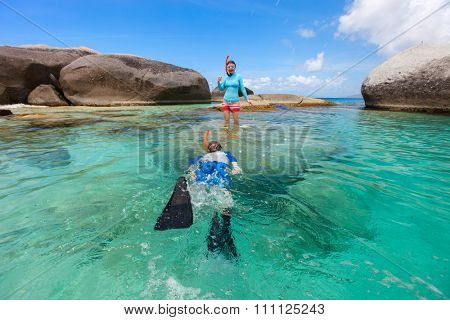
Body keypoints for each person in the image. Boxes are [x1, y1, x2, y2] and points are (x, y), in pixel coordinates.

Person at [189, 130, 242, 258]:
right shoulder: (226, 154)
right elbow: (236, 168)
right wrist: (234, 171)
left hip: (203, 183)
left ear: (209, 150)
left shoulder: (201, 157)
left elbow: (191, 172)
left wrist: (205, 136)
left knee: (212, 210)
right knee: (224, 209)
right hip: (220, 183)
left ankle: (214, 231)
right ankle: (226, 232)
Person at [217, 58, 252, 125]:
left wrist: (247, 99)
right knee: (226, 121)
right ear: (227, 68)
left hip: (234, 102)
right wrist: (218, 82)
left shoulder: (238, 76)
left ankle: (235, 135)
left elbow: (242, 89)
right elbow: (221, 88)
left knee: (236, 121)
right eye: (229, 67)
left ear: (235, 67)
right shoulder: (226, 78)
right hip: (225, 101)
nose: (230, 68)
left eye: (232, 66)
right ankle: (226, 135)